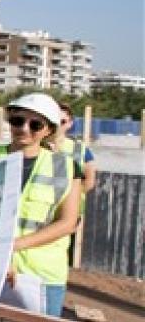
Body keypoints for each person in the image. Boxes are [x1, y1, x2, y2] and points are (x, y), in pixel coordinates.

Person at [0, 93, 80, 317]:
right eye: (18, 121)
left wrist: (11, 247)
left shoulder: (66, 167)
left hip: (41, 275)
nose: (24, 129)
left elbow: (67, 223)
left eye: (35, 125)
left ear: (48, 130)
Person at [54, 101, 97, 263]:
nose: (58, 126)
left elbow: (89, 180)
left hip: (70, 210)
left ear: (70, 124)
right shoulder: (37, 146)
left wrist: (70, 200)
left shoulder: (79, 149)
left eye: (63, 121)